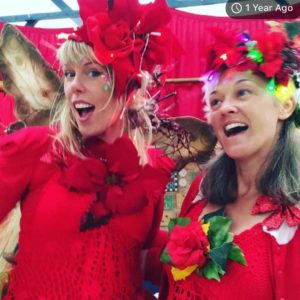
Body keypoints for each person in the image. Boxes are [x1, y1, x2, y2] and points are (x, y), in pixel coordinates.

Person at [0, 0, 180, 298]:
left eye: (92, 72)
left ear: (129, 86)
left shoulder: (152, 169)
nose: (73, 87)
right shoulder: (38, 149)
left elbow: (141, 256)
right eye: (69, 73)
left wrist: (195, 250)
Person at [160, 24, 300, 299]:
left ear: (284, 105)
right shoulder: (202, 187)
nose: (224, 108)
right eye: (215, 101)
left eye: (243, 92)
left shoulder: (293, 218)